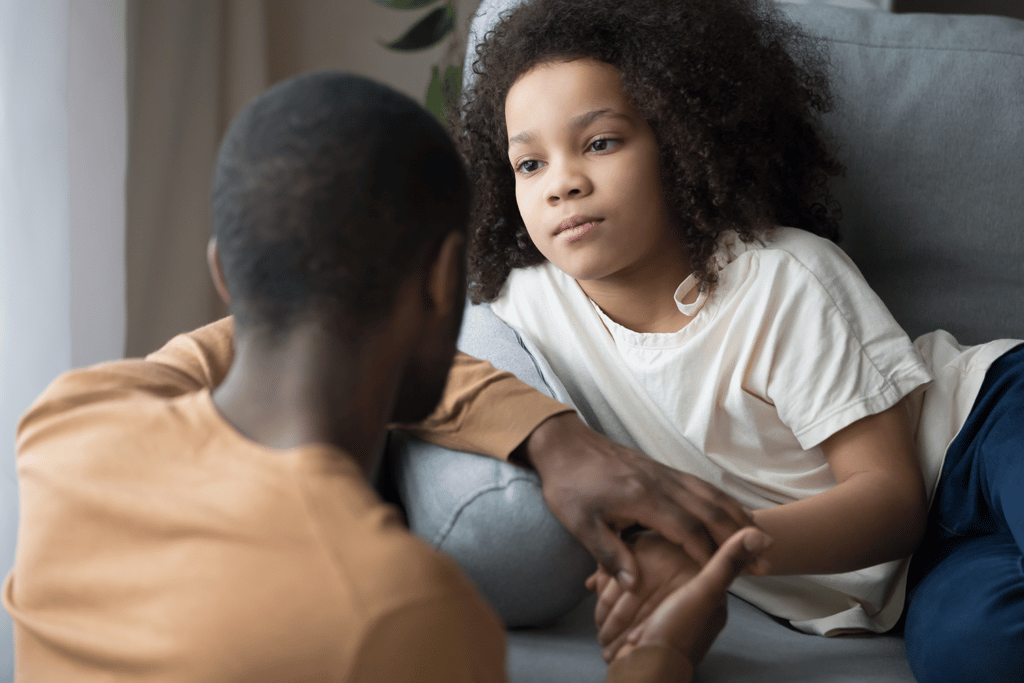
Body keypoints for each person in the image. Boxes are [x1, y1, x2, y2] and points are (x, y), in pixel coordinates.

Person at [3, 71, 772, 682]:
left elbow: (250, 337)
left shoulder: (69, 421)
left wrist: (550, 434)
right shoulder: (395, 611)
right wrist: (659, 656)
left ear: (224, 275)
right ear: (445, 279)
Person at [448, 0, 1024, 680]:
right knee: (976, 654)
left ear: (681, 141)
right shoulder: (531, 306)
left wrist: (705, 543)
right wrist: (549, 438)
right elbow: (399, 361)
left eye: (600, 142)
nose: (563, 183)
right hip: (926, 567)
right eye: (529, 164)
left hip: (982, 431)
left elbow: (891, 499)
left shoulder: (781, 278)